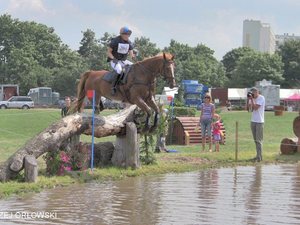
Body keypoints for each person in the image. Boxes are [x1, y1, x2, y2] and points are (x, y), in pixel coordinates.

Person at [107, 26, 136, 95]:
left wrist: (133, 56)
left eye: (128, 34)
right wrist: (113, 58)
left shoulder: (129, 42)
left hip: (123, 60)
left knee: (134, 67)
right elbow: (108, 52)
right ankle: (113, 87)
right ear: (121, 34)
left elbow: (131, 52)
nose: (127, 36)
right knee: (119, 70)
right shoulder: (115, 41)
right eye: (126, 34)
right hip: (114, 60)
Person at [248, 87, 265, 162]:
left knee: (259, 140)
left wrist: (251, 99)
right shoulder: (252, 98)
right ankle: (257, 156)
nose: (253, 93)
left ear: (257, 92)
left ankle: (259, 157)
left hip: (259, 121)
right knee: (255, 140)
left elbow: (255, 108)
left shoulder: (261, 98)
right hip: (253, 121)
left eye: (254, 92)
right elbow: (249, 109)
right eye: (252, 92)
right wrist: (248, 99)